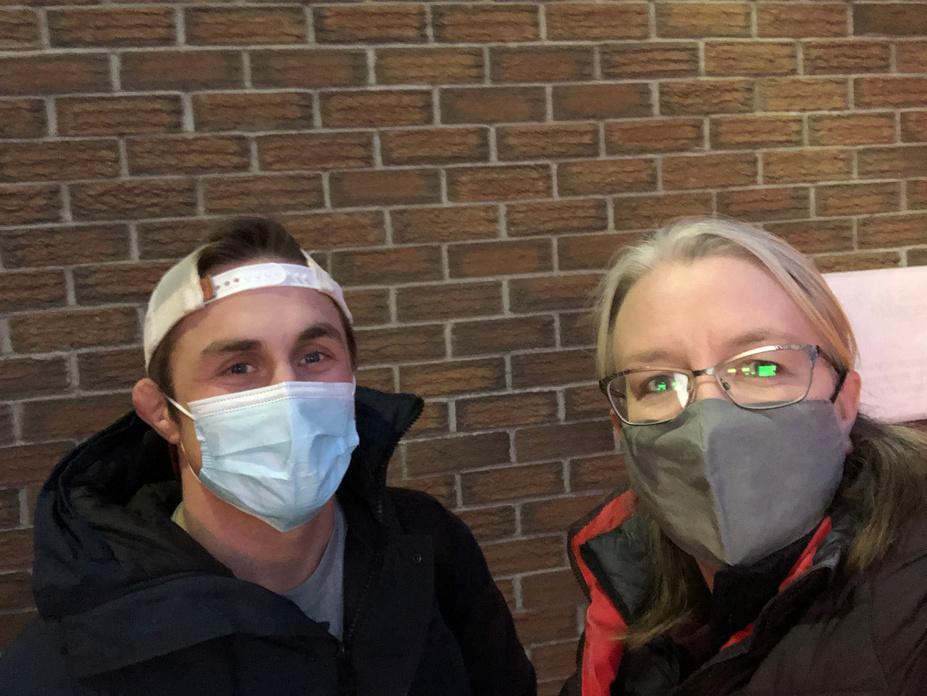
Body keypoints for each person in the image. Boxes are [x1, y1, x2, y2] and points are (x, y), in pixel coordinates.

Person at [0, 217, 536, 696]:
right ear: (162, 412)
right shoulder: (74, 660)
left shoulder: (429, 549)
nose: (289, 394)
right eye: (239, 367)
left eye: (314, 356)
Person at [561, 217, 927, 695]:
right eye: (658, 382)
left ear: (843, 402)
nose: (708, 419)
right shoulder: (628, 581)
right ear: (621, 426)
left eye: (761, 366)